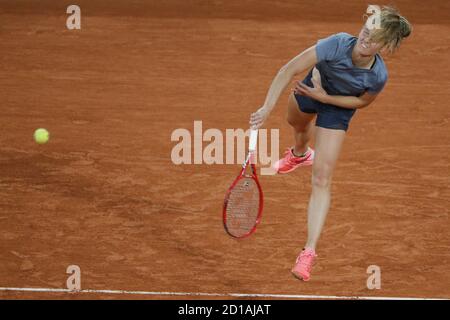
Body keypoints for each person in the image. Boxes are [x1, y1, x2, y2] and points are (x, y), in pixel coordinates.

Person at [249, 5, 412, 281]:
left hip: (336, 108)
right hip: (311, 88)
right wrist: (266, 108)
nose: (365, 38)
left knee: (322, 179)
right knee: (297, 124)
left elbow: (361, 102)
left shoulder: (377, 76)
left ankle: (308, 252)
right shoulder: (336, 44)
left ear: (384, 46)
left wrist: (326, 99)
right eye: (366, 30)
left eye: (374, 38)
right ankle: (300, 154)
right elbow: (288, 69)